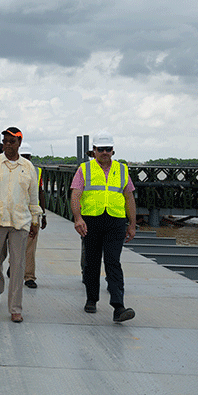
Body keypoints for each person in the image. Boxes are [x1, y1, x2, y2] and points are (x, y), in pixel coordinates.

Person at [0, 127, 42, 323]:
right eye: (5, 141)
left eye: (12, 141)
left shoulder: (28, 167)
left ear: (19, 143)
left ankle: (15, 308)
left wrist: (35, 220)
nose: (8, 145)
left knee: (18, 265)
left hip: (20, 222)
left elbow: (34, 198)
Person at [70, 131, 137, 322]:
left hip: (115, 221)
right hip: (91, 220)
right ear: (94, 150)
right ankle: (91, 299)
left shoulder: (122, 169)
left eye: (108, 149)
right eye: (101, 149)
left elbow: (129, 197)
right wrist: (78, 218)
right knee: (91, 262)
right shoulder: (85, 169)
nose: (105, 153)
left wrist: (132, 224)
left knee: (113, 262)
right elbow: (75, 195)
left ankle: (119, 307)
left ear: (113, 150)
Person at [19, 143, 47, 288]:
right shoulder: (11, 169)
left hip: (32, 213)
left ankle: (29, 276)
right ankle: (15, 266)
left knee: (30, 245)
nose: (26, 159)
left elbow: (40, 192)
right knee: (15, 242)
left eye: (27, 156)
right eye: (23, 156)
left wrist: (43, 214)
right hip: (15, 211)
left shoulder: (37, 171)